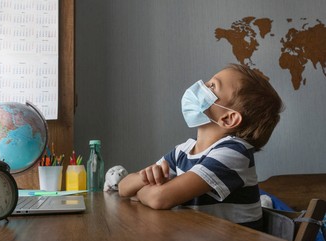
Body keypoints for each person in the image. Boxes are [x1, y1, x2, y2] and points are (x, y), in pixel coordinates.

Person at [118, 63, 284, 230]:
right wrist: (142, 180)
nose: (201, 86)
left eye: (212, 86)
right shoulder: (183, 150)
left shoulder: (235, 153)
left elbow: (159, 198)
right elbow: (124, 188)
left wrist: (140, 192)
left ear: (228, 119)